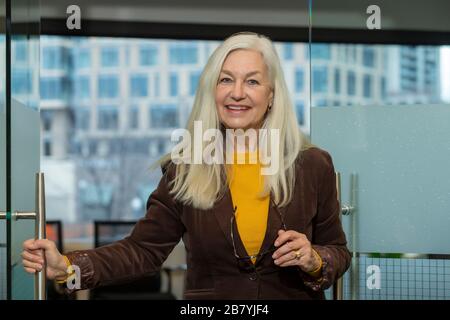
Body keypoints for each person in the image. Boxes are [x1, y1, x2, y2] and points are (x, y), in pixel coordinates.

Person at [22, 32, 351, 299]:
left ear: (272, 95)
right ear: (213, 91)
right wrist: (67, 266)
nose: (237, 93)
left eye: (252, 82)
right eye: (226, 80)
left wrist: (314, 259)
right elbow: (143, 251)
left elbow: (338, 251)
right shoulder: (186, 166)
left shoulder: (311, 165)